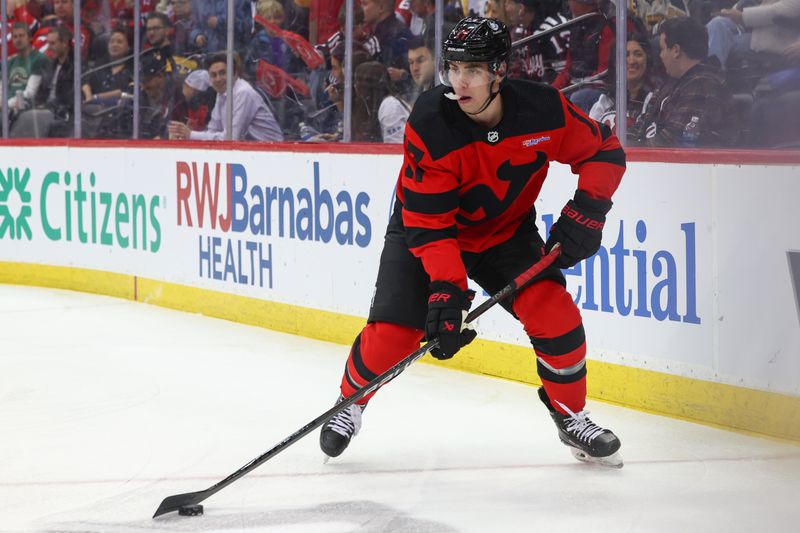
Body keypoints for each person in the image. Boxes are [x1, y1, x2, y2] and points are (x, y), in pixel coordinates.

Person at [319, 16, 625, 468]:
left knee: (555, 314)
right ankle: (351, 403)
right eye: (453, 69)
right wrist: (447, 288)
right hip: (425, 233)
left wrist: (589, 210)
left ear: (499, 72)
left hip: (505, 233)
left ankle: (570, 414)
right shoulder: (430, 121)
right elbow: (429, 221)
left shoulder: (544, 110)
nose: (460, 82)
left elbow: (603, 151)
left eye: (474, 71)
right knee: (394, 337)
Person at [629, 16, 734, 147]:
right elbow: (641, 125)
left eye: (662, 49)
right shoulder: (672, 83)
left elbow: (672, 142)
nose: (660, 55)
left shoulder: (704, 84)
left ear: (676, 50)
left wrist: (628, 149)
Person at [167, 53, 284, 141]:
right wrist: (187, 135)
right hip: (254, 152)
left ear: (234, 73)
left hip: (275, 152)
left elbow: (232, 138)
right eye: (213, 75)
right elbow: (213, 129)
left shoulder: (243, 92)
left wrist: (191, 135)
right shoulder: (222, 93)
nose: (218, 79)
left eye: (223, 73)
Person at [589, 33, 661, 132]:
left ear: (648, 60)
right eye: (625, 55)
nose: (631, 61)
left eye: (638, 54)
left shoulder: (656, 99)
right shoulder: (605, 101)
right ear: (616, 62)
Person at [706, 0, 800, 70]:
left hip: (778, 41)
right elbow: (741, 6)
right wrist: (728, 13)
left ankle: (710, 78)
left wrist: (742, 16)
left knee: (719, 40)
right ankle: (707, 74)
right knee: (717, 23)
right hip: (758, 34)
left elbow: (777, 11)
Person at [352, 60, 411, 142]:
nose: (355, 86)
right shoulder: (373, 105)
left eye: (358, 82)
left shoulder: (390, 107)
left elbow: (396, 147)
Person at [1, 22, 49, 122]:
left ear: (30, 38)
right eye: (15, 36)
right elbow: (2, 87)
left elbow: (30, 93)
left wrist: (6, 105)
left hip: (25, 111)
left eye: (22, 36)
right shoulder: (10, 62)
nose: (18, 39)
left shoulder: (39, 59)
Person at [406, 36, 435, 104]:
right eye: (411, 62)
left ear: (435, 60)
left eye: (420, 61)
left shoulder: (445, 94)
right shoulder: (417, 92)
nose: (415, 68)